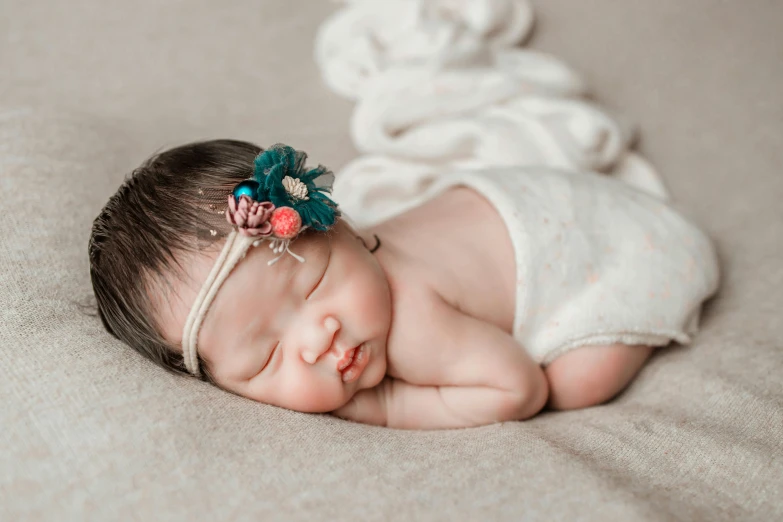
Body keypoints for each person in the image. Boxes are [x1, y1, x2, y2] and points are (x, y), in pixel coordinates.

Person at [89, 140, 719, 429]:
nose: (317, 338)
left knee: (574, 385)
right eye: (266, 357)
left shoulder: (415, 323)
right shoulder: (355, 266)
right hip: (519, 198)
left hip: (611, 242)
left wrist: (386, 406)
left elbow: (518, 387)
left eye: (316, 288)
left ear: (344, 226)